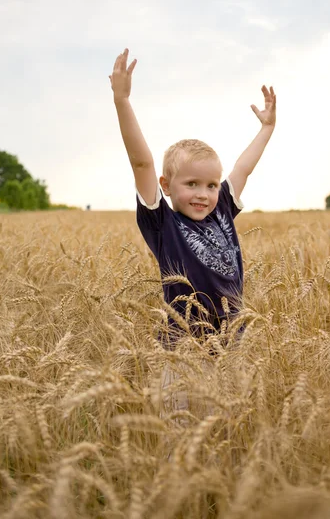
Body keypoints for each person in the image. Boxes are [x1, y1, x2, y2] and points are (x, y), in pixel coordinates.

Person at [110, 48, 276, 348]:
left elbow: (243, 168)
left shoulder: (221, 209)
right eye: (192, 184)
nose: (203, 194)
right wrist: (122, 101)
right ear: (166, 185)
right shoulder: (162, 223)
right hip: (182, 348)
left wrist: (267, 128)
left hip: (230, 342)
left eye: (212, 185)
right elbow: (141, 163)